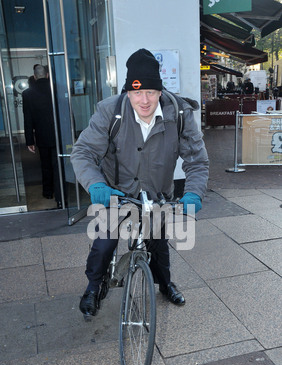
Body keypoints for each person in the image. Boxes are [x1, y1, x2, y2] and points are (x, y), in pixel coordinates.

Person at [70, 48, 209, 320]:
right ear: (128, 91)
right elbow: (83, 152)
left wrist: (193, 193)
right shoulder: (110, 112)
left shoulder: (179, 114)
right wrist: (96, 184)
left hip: (157, 193)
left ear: (160, 91)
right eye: (136, 93)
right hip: (114, 191)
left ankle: (165, 284)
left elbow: (197, 161)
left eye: (150, 92)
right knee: (104, 242)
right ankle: (94, 285)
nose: (143, 100)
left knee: (158, 242)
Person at [22, 64, 63, 208]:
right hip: (59, 134)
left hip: (42, 136)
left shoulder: (27, 94)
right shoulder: (57, 90)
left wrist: (29, 141)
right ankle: (60, 196)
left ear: (34, 76)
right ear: (47, 75)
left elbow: (28, 119)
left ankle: (47, 192)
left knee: (45, 165)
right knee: (58, 165)